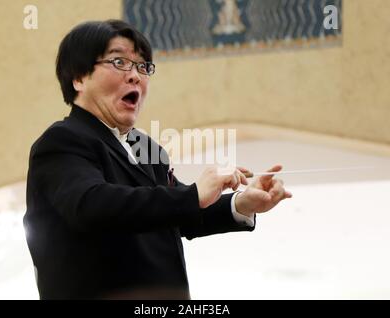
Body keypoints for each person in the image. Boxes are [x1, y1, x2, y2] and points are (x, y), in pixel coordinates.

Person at [23, 19, 292, 300]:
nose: (135, 76)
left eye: (143, 66)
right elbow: (92, 206)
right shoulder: (62, 140)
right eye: (119, 62)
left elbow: (181, 213)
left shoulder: (144, 146)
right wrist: (194, 195)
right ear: (79, 77)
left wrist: (241, 203)